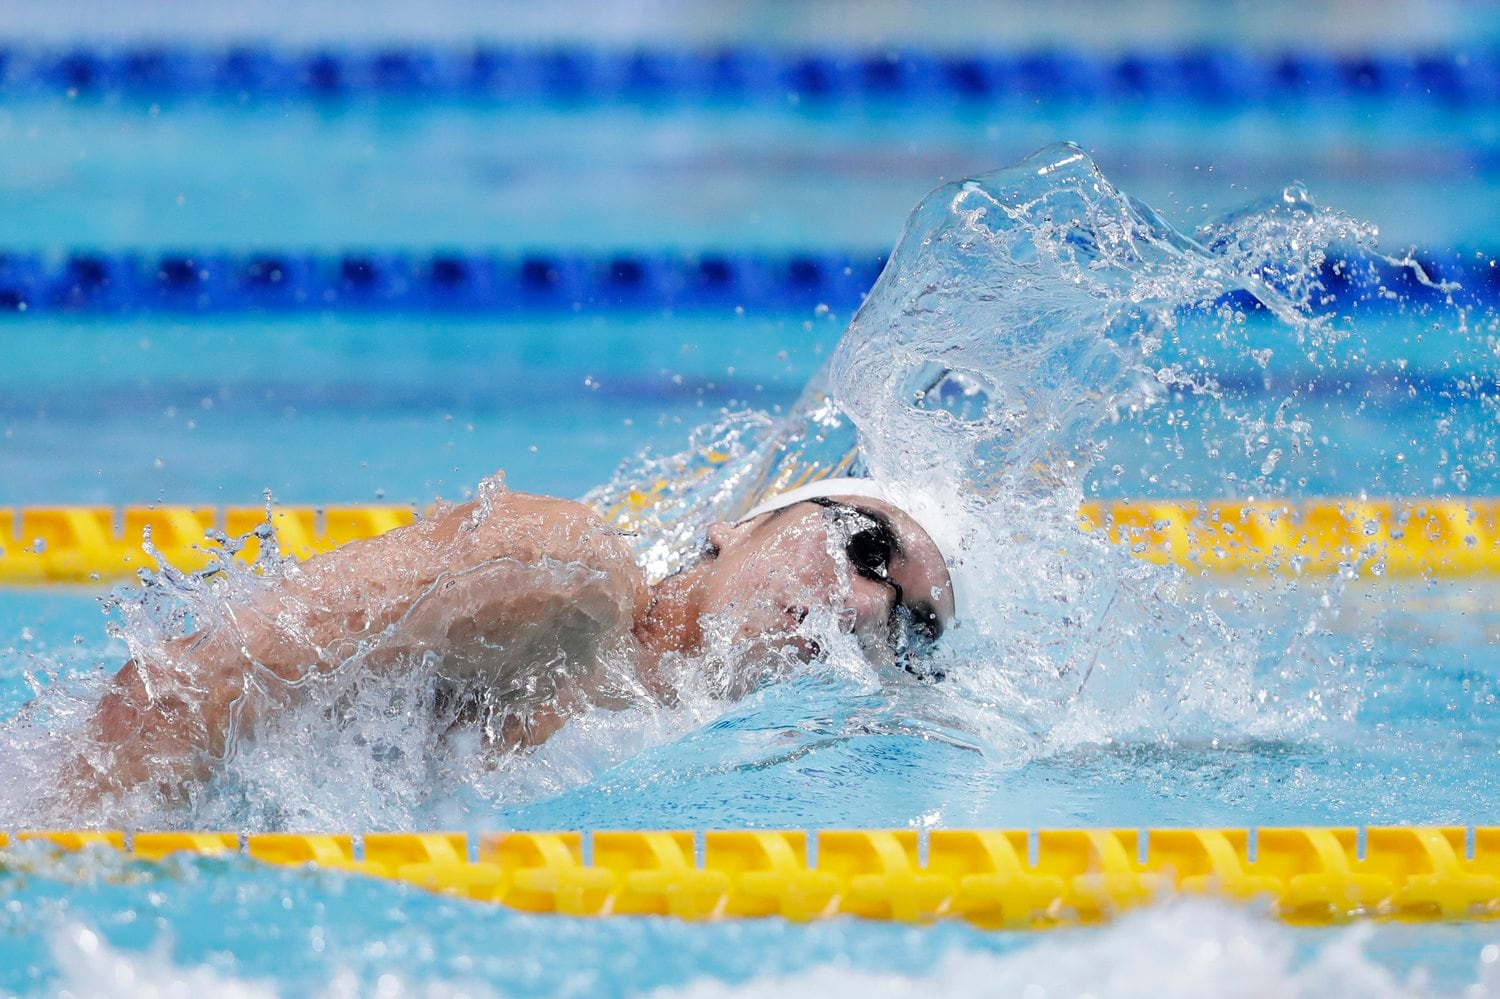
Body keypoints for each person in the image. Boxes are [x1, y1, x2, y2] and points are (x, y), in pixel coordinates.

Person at [69, 476, 956, 803]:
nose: (865, 609)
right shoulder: (572, 577)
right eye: (864, 544)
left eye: (909, 629)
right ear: (735, 528)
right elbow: (188, 683)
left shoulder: (692, 761)